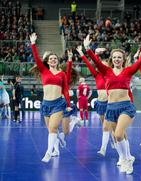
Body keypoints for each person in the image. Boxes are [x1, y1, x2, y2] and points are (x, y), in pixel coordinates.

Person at [81, 35, 141, 174]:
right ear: (111, 59)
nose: (116, 59)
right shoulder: (106, 71)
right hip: (111, 108)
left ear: (123, 59)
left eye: (119, 57)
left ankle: (126, 161)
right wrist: (88, 49)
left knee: (119, 134)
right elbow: (95, 62)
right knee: (116, 136)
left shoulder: (128, 71)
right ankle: (126, 158)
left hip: (126, 106)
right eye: (114, 57)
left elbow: (140, 62)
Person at [30, 33, 71, 163]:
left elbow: (65, 89)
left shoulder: (62, 74)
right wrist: (33, 44)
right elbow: (36, 59)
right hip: (46, 104)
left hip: (58, 103)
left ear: (57, 61)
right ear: (47, 62)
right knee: (51, 130)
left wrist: (68, 103)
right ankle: (58, 140)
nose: (53, 60)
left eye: (55, 58)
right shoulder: (44, 71)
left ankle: (48, 152)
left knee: (53, 127)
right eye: (51, 59)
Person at [77, 48, 113, 157]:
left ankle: (103, 148)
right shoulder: (96, 74)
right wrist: (82, 54)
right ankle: (111, 139)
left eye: (104, 64)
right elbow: (89, 63)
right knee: (105, 126)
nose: (102, 66)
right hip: (101, 103)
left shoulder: (110, 74)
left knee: (107, 126)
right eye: (101, 64)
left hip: (110, 103)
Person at [51, 50, 80, 157]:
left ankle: (74, 121)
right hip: (54, 105)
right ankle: (56, 150)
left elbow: (68, 69)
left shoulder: (65, 78)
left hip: (64, 106)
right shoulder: (52, 76)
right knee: (53, 130)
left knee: (65, 132)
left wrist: (70, 59)